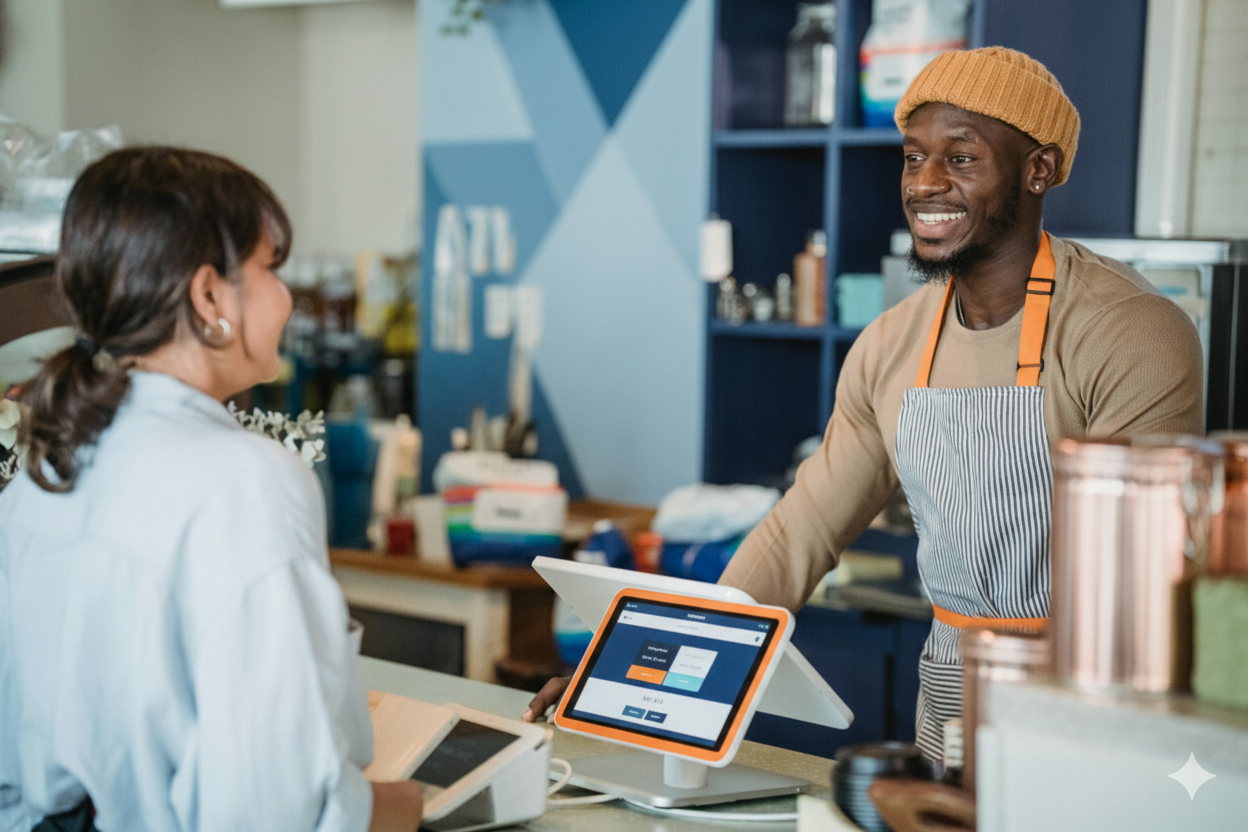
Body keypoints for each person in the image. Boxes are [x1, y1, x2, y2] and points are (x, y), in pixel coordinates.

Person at [526, 46, 1203, 766]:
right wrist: (629, 677)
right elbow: (799, 535)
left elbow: (1139, 589)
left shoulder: (1130, 332)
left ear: (1038, 169)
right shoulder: (891, 344)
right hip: (947, 698)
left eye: (962, 159)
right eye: (913, 159)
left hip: (1092, 707)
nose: (926, 184)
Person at [0, 148, 423, 832]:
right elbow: (272, 813)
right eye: (270, 269)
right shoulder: (244, 479)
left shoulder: (45, 469)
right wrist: (400, 811)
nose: (286, 297)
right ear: (208, 298)